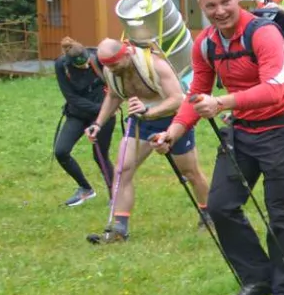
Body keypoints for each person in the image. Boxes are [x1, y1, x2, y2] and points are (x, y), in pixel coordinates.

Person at [160, 0, 284, 295]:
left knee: (280, 211)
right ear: (202, 7)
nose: (220, 11)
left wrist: (222, 103)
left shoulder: (263, 33)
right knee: (220, 206)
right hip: (242, 131)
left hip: (281, 127)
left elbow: (273, 87)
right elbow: (197, 90)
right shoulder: (206, 43)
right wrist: (173, 132)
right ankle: (257, 279)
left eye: (225, 2)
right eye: (211, 5)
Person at [84, 37, 212, 243]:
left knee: (189, 172)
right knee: (122, 170)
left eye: (114, 64)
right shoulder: (112, 70)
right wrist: (98, 124)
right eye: (107, 66)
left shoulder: (156, 65)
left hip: (173, 120)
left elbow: (178, 98)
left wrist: (150, 110)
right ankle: (119, 229)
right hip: (141, 122)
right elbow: (114, 96)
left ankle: (209, 214)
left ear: (126, 53)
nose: (112, 70)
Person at [52, 35, 113, 207]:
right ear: (70, 63)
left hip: (103, 115)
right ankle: (85, 189)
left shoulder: (97, 58)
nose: (86, 66)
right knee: (61, 151)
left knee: (100, 156)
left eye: (86, 61)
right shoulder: (61, 66)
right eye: (80, 65)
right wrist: (101, 109)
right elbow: (71, 97)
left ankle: (115, 195)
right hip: (78, 113)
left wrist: (105, 112)